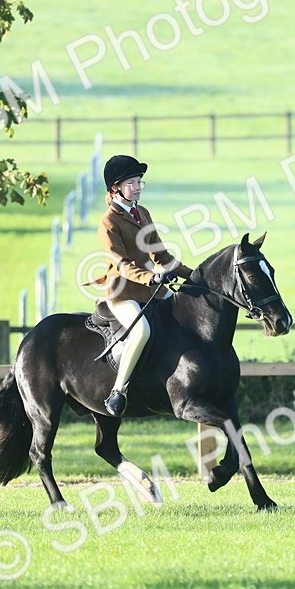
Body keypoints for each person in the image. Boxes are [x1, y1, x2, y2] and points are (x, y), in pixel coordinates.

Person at [86, 154, 194, 417]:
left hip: (150, 289)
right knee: (142, 330)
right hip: (122, 293)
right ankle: (118, 391)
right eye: (132, 183)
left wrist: (196, 275)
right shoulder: (108, 222)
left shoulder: (142, 213)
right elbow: (121, 263)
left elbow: (162, 256)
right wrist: (151, 277)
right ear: (115, 188)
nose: (137, 187)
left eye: (139, 182)